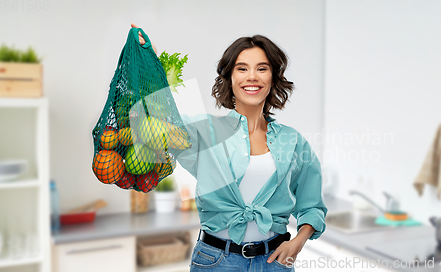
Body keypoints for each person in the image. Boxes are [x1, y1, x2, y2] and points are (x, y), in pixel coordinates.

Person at [131, 23, 327, 272]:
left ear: (273, 77)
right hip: (216, 262)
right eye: (242, 68)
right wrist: (150, 61)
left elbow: (312, 206)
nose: (252, 76)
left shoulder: (293, 141)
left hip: (274, 262)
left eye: (262, 68)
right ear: (230, 78)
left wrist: (297, 243)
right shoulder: (204, 131)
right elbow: (152, 118)